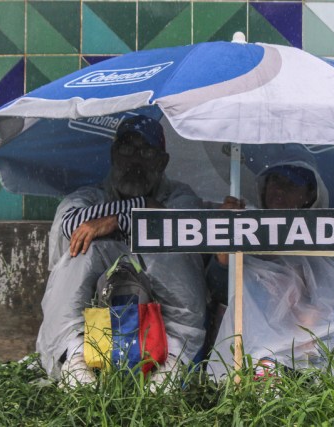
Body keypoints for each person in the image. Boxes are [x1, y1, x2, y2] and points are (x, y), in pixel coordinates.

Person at [37, 115, 208, 387]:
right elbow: (70, 225)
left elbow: (185, 225)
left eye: (146, 151)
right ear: (114, 154)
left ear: (162, 162)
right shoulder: (90, 196)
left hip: (162, 321)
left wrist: (116, 221)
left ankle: (175, 360)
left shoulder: (179, 197)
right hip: (99, 311)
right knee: (80, 251)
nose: (135, 160)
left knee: (172, 243)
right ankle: (74, 358)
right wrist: (141, 207)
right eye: (127, 149)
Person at [206, 159, 334, 384]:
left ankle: (305, 371)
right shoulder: (247, 225)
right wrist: (224, 234)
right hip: (258, 335)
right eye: (275, 181)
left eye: (292, 184)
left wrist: (302, 308)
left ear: (309, 195)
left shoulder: (325, 230)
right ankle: (266, 367)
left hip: (315, 336)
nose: (280, 189)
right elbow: (220, 285)